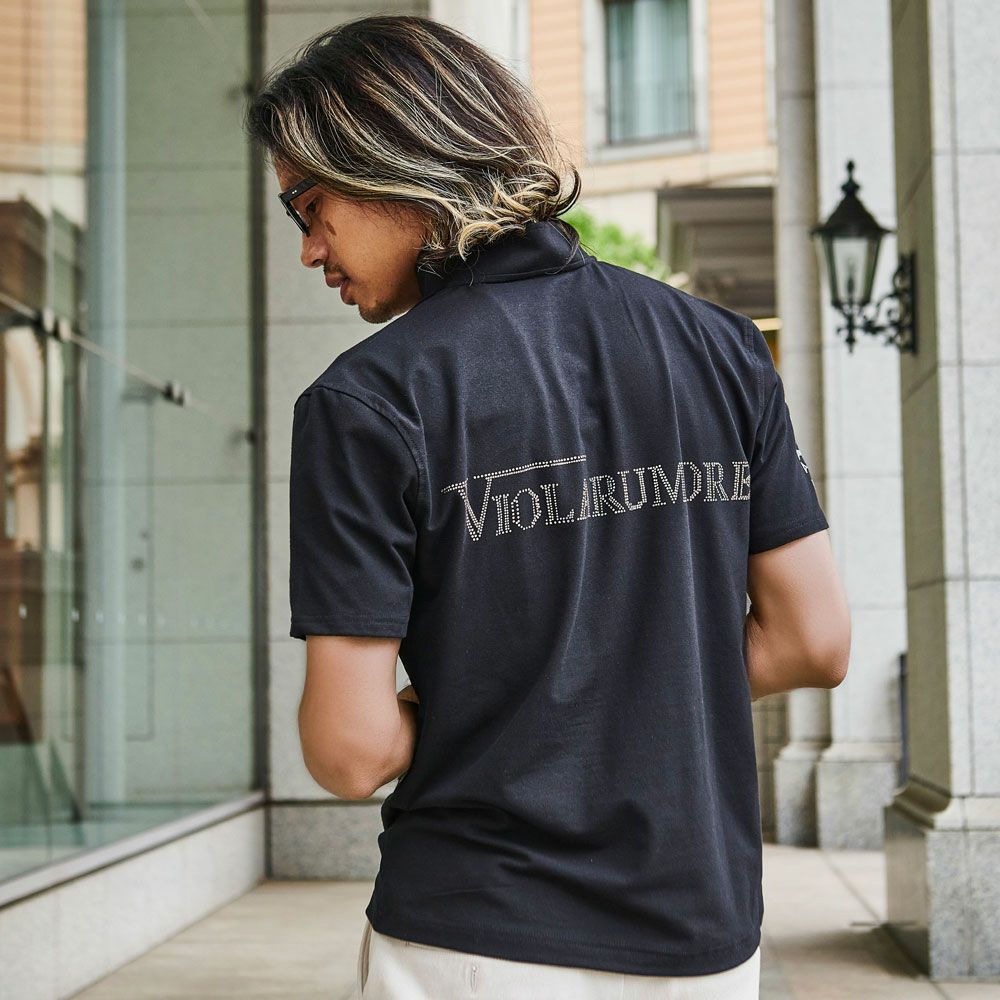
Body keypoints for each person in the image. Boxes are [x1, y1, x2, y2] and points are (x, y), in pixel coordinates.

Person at [243, 13, 852, 1000]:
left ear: (395, 161)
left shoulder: (367, 402)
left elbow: (349, 753)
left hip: (475, 936)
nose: (310, 250)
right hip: (701, 934)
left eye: (309, 207)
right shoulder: (721, 347)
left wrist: (487, 703)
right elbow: (812, 641)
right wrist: (634, 689)